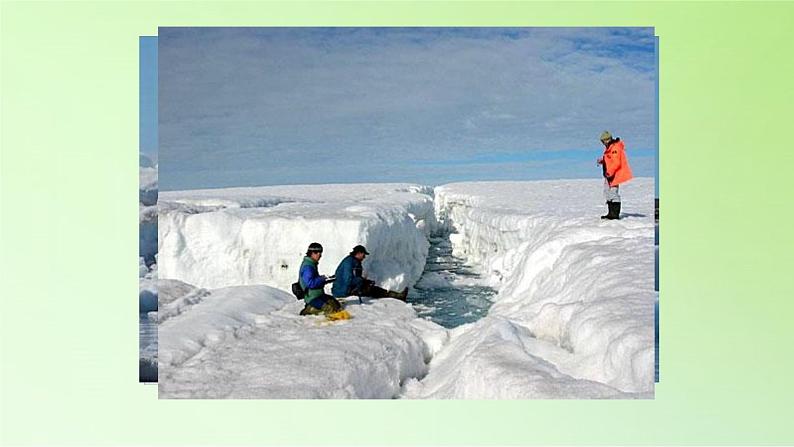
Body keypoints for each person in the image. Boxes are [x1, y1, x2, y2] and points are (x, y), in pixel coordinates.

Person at [332, 245, 408, 302]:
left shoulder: (353, 261)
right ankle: (398, 296)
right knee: (374, 290)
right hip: (342, 291)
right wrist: (361, 282)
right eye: (363, 254)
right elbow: (347, 279)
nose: (364, 257)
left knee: (372, 288)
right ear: (358, 253)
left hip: (347, 288)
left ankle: (397, 296)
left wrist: (364, 282)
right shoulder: (348, 263)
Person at [596, 130, 633, 219]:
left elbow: (616, 162)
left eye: (603, 141)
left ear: (607, 139)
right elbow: (610, 160)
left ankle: (615, 214)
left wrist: (610, 172)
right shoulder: (610, 148)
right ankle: (610, 213)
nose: (603, 143)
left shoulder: (615, 148)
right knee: (607, 192)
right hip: (608, 175)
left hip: (613, 175)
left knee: (613, 193)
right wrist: (602, 161)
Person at [298, 242, 342, 316]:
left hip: (318, 294)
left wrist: (327, 279)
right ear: (310, 253)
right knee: (330, 309)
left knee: (335, 304)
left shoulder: (312, 263)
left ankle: (315, 307)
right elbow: (310, 283)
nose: (319, 254)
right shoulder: (308, 266)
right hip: (312, 297)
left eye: (320, 252)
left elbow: (315, 280)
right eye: (316, 252)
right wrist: (323, 279)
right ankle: (309, 309)